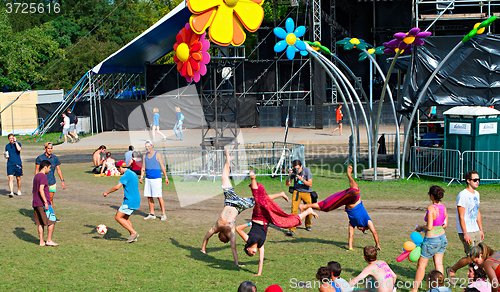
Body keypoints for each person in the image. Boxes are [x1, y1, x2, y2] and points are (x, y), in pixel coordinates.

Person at [201, 149, 288, 267]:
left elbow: (206, 237)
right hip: (239, 206)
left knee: (223, 177)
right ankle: (280, 194)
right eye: (224, 241)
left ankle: (228, 158)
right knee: (260, 200)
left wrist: (203, 248)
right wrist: (237, 264)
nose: (223, 240)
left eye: (221, 240)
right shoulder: (231, 233)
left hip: (230, 201)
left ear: (220, 235)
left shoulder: (217, 227)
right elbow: (234, 250)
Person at [236, 171, 318, 276]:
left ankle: (253, 178)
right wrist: (259, 273)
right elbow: (261, 260)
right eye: (253, 254)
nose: (254, 253)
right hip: (267, 219)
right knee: (287, 223)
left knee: (259, 200)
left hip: (257, 216)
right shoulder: (260, 245)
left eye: (251, 253)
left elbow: (238, 228)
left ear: (248, 248)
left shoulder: (249, 239)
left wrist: (249, 224)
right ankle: (308, 211)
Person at [299, 165, 380, 251]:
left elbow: (351, 235)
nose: (361, 230)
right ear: (364, 226)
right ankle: (349, 175)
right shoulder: (367, 221)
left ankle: (305, 206)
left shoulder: (353, 223)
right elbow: (374, 232)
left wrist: (350, 248)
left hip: (344, 200)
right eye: (363, 230)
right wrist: (377, 244)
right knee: (355, 191)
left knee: (326, 207)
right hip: (354, 199)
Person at [446, 170, 484, 284]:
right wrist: (465, 233)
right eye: (475, 180)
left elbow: (477, 212)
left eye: (478, 180)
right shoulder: (462, 195)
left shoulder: (477, 194)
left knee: (478, 257)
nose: (477, 182)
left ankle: (474, 280)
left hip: (476, 229)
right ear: (468, 180)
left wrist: (481, 229)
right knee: (471, 258)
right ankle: (452, 270)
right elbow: (461, 217)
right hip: (467, 231)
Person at [410, 186, 449, 292]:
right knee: (439, 263)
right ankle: (440, 287)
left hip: (431, 241)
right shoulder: (444, 207)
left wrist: (420, 228)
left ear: (431, 196)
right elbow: (445, 224)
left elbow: (429, 227)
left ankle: (414, 289)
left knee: (421, 265)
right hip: (442, 238)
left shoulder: (431, 208)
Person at [103, 161, 141, 243]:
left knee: (118, 217)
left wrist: (107, 192)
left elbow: (117, 187)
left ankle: (133, 233)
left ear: (120, 167)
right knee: (125, 218)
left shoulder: (126, 175)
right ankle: (133, 236)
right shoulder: (133, 173)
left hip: (129, 200)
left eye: (118, 169)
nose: (118, 171)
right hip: (136, 199)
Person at [140, 140, 169, 221]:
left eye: (148, 146)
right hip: (148, 178)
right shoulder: (144, 156)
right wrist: (142, 177)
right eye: (146, 146)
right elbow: (143, 167)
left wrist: (166, 177)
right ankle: (152, 213)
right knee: (149, 196)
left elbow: (162, 166)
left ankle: (163, 214)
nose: (147, 148)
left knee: (159, 196)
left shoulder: (157, 154)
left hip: (156, 178)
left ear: (152, 146)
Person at [32, 160, 58, 246]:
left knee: (40, 223)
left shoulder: (36, 176)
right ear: (45, 167)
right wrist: (46, 202)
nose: (50, 170)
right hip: (43, 203)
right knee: (52, 221)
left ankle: (41, 241)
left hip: (36, 203)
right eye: (49, 168)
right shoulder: (43, 176)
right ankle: (49, 240)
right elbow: (41, 189)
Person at [285, 159, 313, 236]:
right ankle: (292, 229)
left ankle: (308, 224)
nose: (297, 170)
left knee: (309, 208)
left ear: (301, 166)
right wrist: (290, 176)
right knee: (293, 210)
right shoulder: (293, 172)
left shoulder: (307, 171)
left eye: (298, 168)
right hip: (296, 192)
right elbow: (287, 184)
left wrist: (302, 179)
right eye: (295, 168)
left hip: (306, 192)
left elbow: (310, 184)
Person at [35, 142, 65, 208]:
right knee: (43, 198)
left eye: (51, 148)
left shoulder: (55, 158)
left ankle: (51, 215)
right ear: (45, 148)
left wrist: (62, 180)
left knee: (50, 198)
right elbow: (37, 170)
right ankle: (44, 214)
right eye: (48, 148)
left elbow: (58, 170)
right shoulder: (40, 158)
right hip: (42, 181)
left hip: (51, 181)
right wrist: (36, 180)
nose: (50, 150)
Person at [5, 133, 23, 197]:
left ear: (14, 138)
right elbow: (7, 154)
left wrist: (15, 142)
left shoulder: (18, 144)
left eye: (12, 138)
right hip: (10, 164)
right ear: (8, 139)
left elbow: (19, 149)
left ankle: (19, 190)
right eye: (10, 138)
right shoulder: (7, 146)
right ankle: (11, 192)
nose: (11, 139)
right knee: (10, 178)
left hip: (17, 163)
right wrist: (6, 156)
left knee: (18, 178)